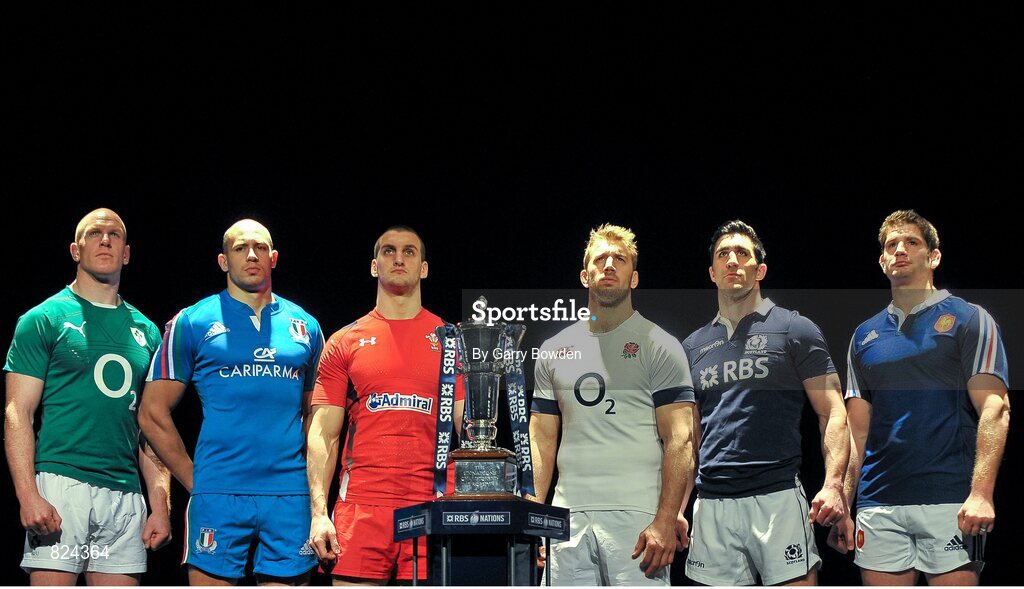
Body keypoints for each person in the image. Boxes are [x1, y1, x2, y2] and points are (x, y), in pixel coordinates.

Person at [139, 219, 323, 585]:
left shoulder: (306, 326)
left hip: (290, 493)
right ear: (223, 261)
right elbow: (151, 413)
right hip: (218, 494)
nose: (250, 255)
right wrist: (196, 479)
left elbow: (316, 415)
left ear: (274, 258)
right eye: (240, 248)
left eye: (259, 247)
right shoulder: (192, 321)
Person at [832, 210, 1010, 585]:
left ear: (933, 256)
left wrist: (981, 493)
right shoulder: (864, 336)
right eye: (891, 245)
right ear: (882, 261)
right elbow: (856, 431)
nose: (899, 250)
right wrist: (844, 502)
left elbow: (995, 408)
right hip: (878, 503)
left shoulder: (969, 318)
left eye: (911, 242)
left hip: (950, 499)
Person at [5, 208, 171, 585]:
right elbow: (18, 411)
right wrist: (28, 495)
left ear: (126, 254)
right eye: (95, 234)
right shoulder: (43, 318)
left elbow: (153, 428)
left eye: (115, 235)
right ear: (75, 250)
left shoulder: (147, 331)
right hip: (63, 486)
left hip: (126, 496)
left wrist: (160, 507)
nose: (106, 240)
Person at [680, 220, 850, 586]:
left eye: (743, 253)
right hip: (712, 503)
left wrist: (834, 484)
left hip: (777, 497)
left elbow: (833, 412)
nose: (732, 261)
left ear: (760, 270)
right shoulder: (692, 346)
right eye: (723, 254)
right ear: (712, 272)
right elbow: (687, 440)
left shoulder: (794, 328)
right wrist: (676, 511)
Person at [527, 223, 697, 586]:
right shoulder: (554, 350)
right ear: (584, 275)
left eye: (619, 259)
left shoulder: (660, 346)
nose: (608, 265)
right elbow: (541, 438)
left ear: (633, 278)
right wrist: (535, 517)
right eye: (600, 258)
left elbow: (681, 441)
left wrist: (666, 521)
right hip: (566, 517)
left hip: (637, 518)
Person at [306, 225, 465, 585]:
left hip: (433, 506)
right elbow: (323, 436)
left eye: (409, 251)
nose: (398, 258)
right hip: (361, 508)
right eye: (389, 251)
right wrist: (318, 513)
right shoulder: (344, 341)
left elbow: (469, 435)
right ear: (374, 266)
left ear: (423, 268)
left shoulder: (451, 340)